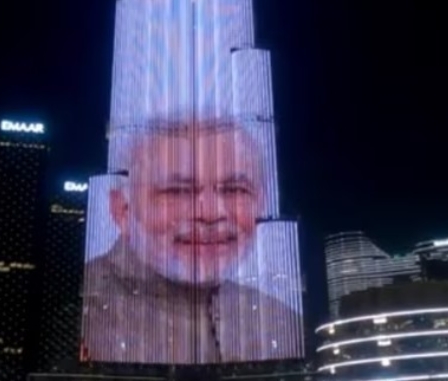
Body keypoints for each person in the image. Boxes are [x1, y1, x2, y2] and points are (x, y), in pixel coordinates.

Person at [80, 117, 301, 363]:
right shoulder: (74, 313)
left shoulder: (281, 324)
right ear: (122, 209)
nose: (210, 213)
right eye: (178, 191)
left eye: (235, 190)